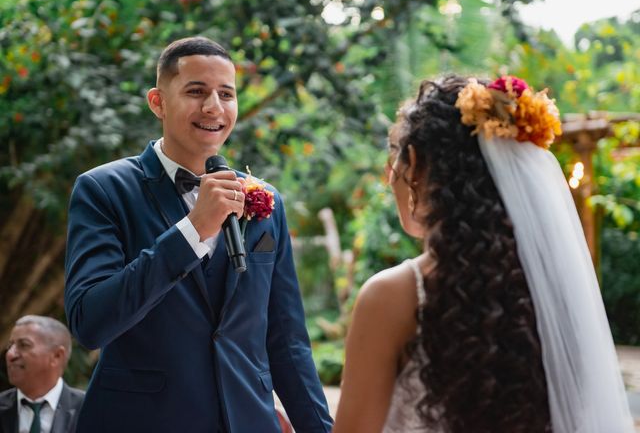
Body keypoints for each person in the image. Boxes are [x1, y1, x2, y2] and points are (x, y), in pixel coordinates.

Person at [333, 75, 634, 432]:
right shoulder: (558, 290)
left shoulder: (393, 296)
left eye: (393, 160)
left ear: (413, 161)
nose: (390, 176)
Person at [64, 36, 332, 432]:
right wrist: (192, 230)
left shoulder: (264, 200)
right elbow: (90, 322)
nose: (214, 107)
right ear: (158, 101)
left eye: (226, 93)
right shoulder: (103, 190)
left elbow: (287, 339)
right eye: (196, 91)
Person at [0, 315, 85, 433]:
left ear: (57, 356)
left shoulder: (90, 410)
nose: (10, 355)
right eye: (11, 346)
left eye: (24, 345)